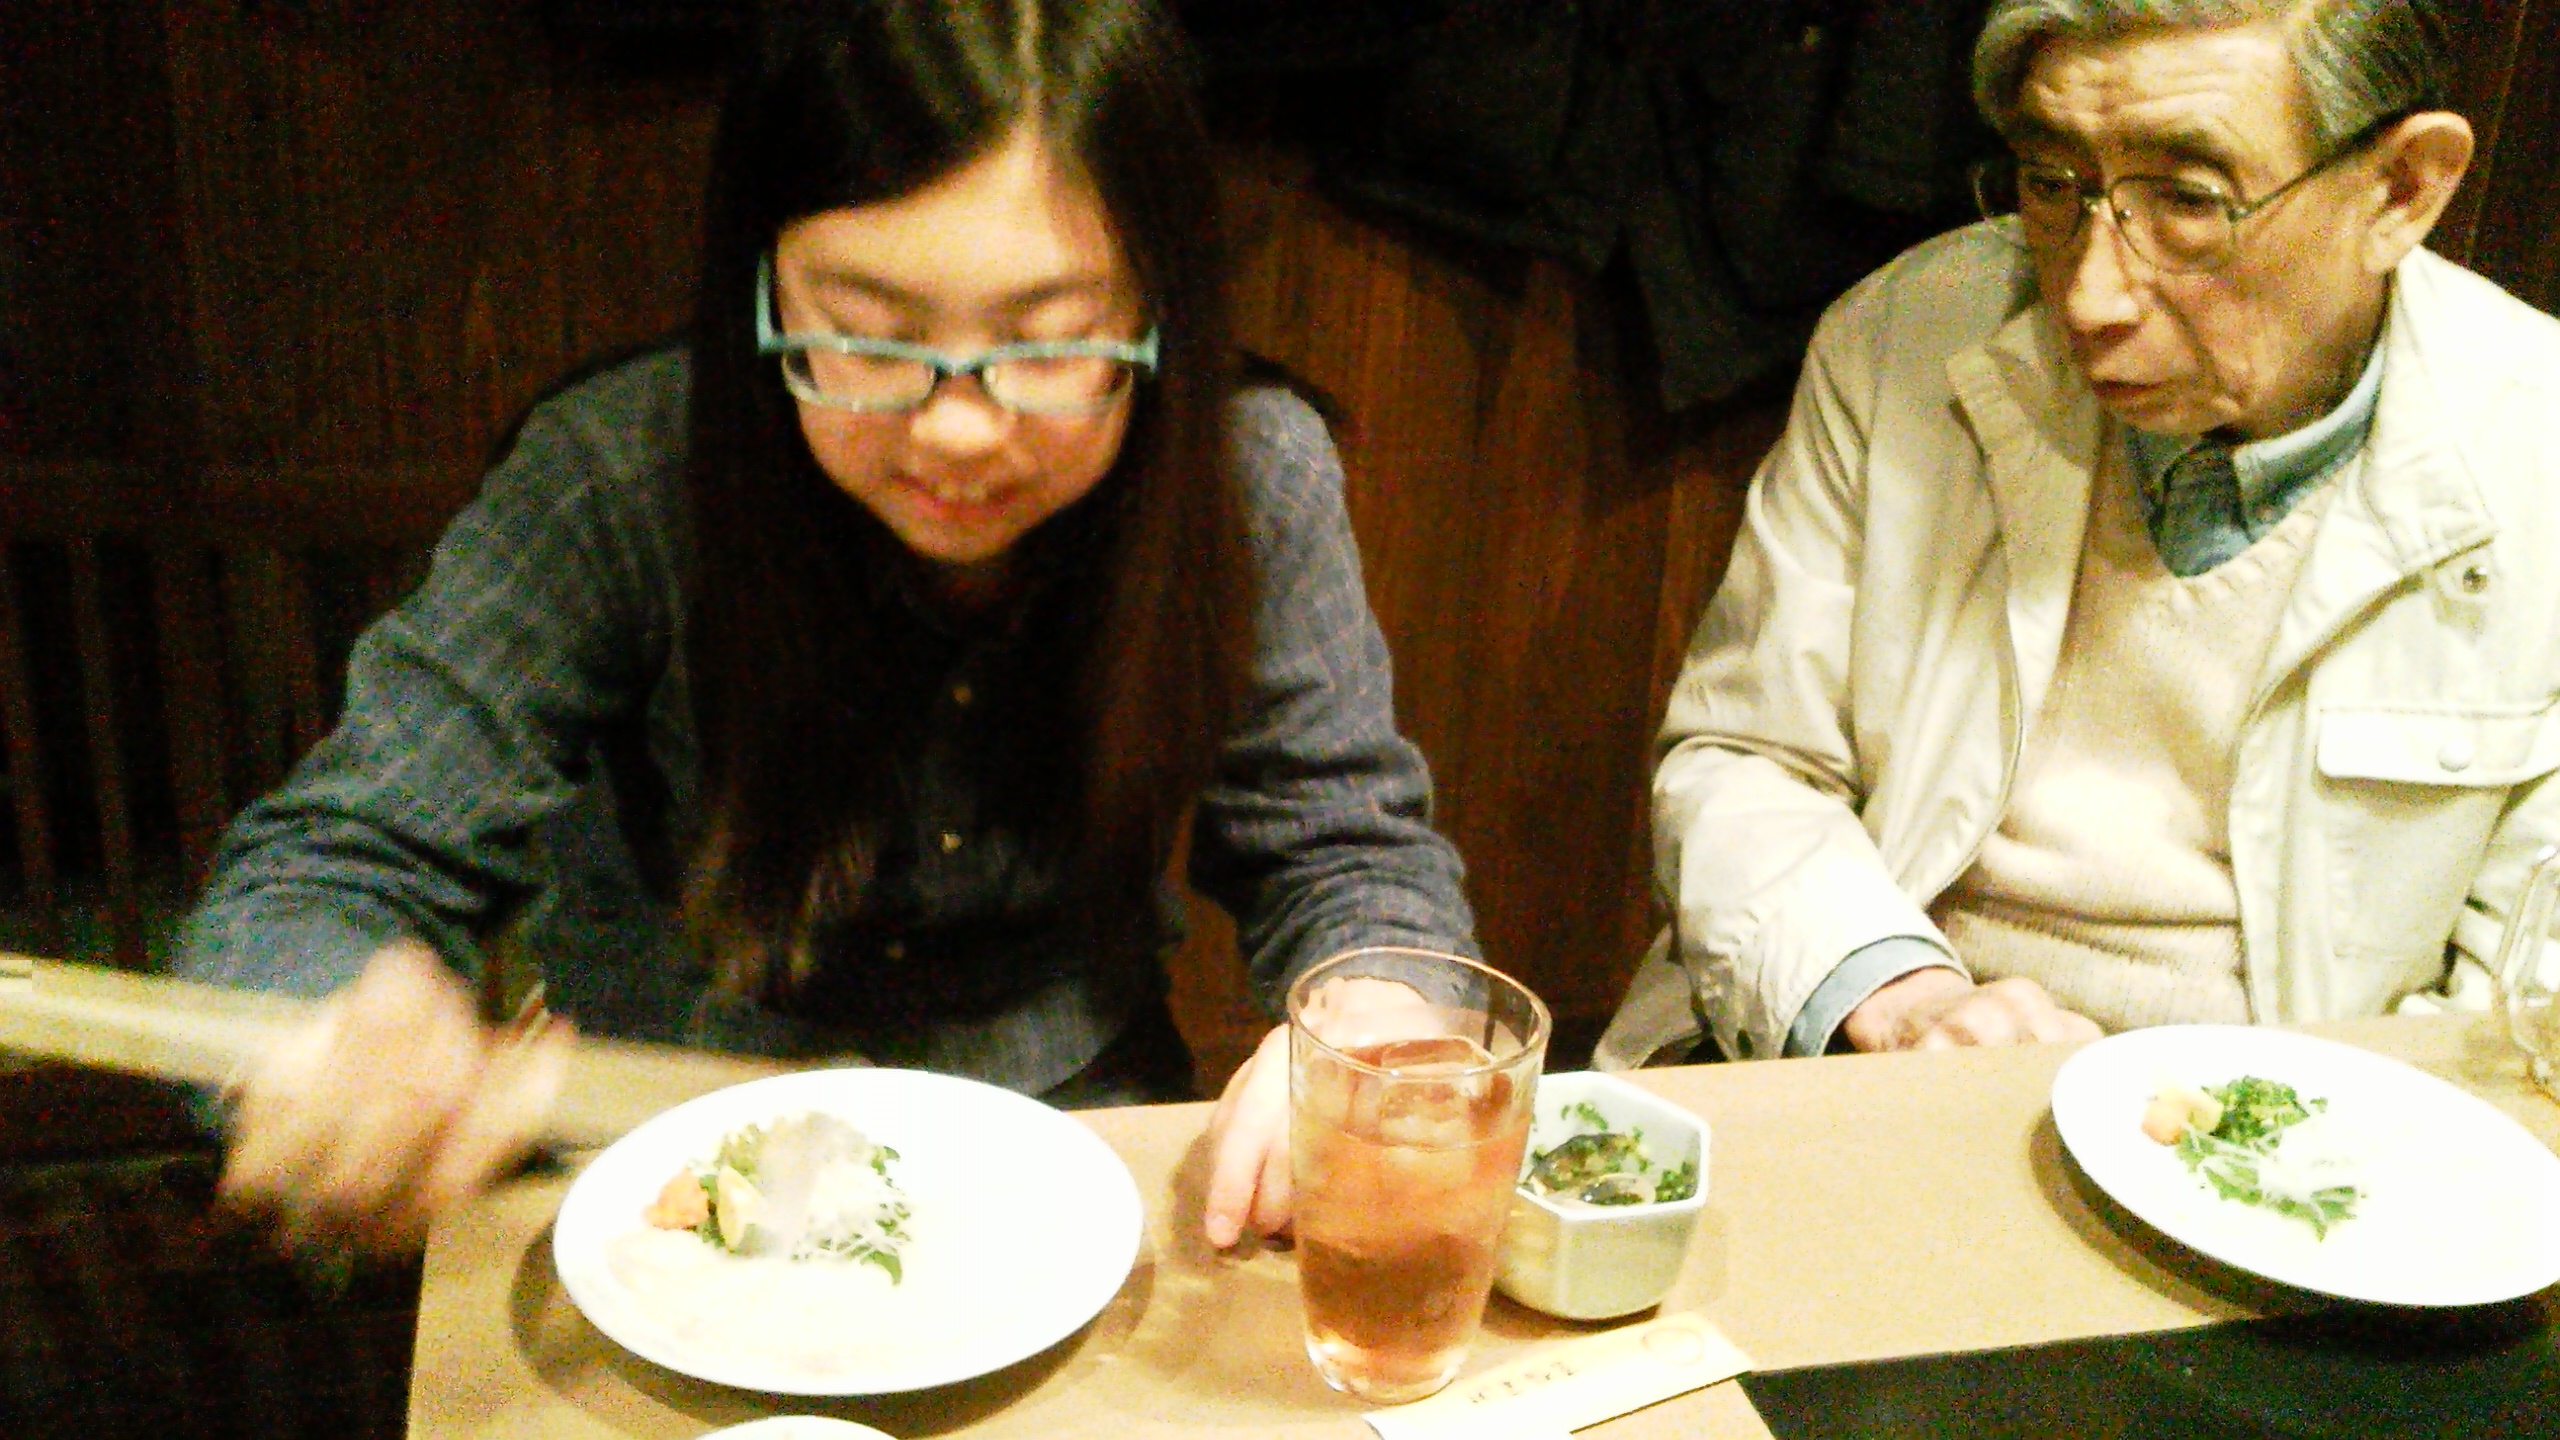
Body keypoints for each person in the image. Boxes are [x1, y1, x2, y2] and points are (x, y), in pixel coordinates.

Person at [182, 0, 1474, 1257]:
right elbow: (329, 864)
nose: (958, 427)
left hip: (1075, 1153)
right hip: (672, 1170)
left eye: (1051, 344)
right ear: (761, 287)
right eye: (865, 336)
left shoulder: (1248, 476)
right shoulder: (616, 476)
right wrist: (324, 1034)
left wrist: (1375, 1018)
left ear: (1155, 312)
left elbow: (1346, 850)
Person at [1599, 0, 2560, 1068]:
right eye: (2052, 183)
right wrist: (1895, 993)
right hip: (1879, 1052)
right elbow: (1746, 757)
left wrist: (2270, 1134)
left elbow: (2524, 993)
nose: (2091, 298)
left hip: (2301, 1117)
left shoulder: (2537, 452)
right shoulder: (1905, 333)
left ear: (2402, 189)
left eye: (2188, 201)